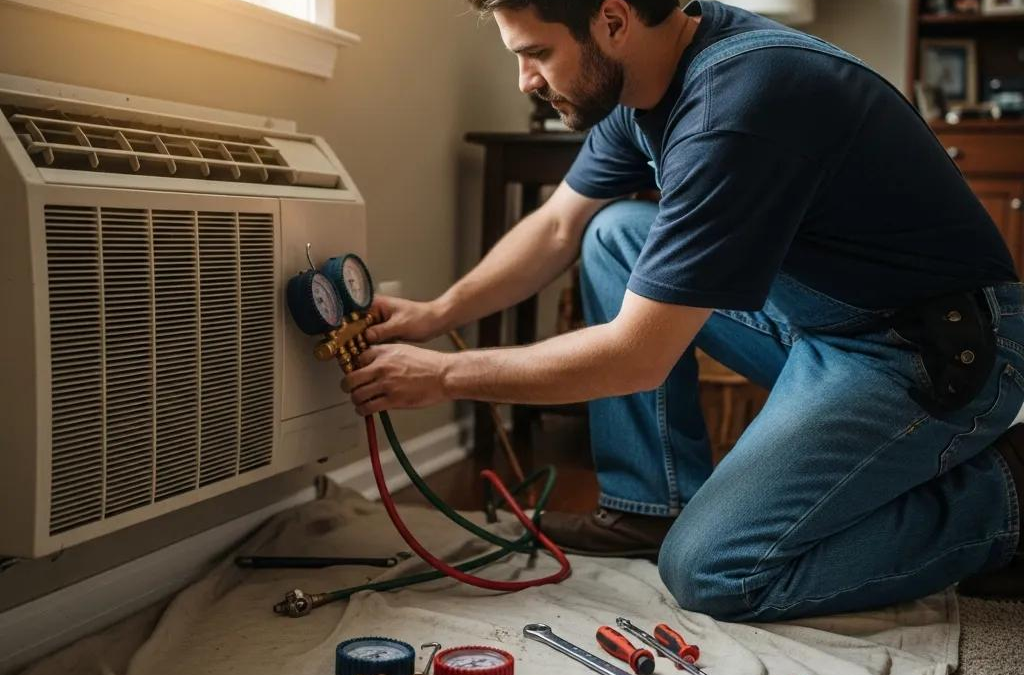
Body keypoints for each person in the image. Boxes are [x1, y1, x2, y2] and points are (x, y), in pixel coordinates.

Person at [342, 0, 1024, 620]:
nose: (525, 80)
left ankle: (1005, 497)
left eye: (537, 54)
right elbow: (557, 228)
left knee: (715, 569)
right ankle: (651, 504)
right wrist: (436, 313)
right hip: (831, 319)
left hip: (936, 350)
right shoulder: (645, 80)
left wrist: (443, 377)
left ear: (612, 20)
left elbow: (636, 356)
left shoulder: (735, 106)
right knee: (610, 235)